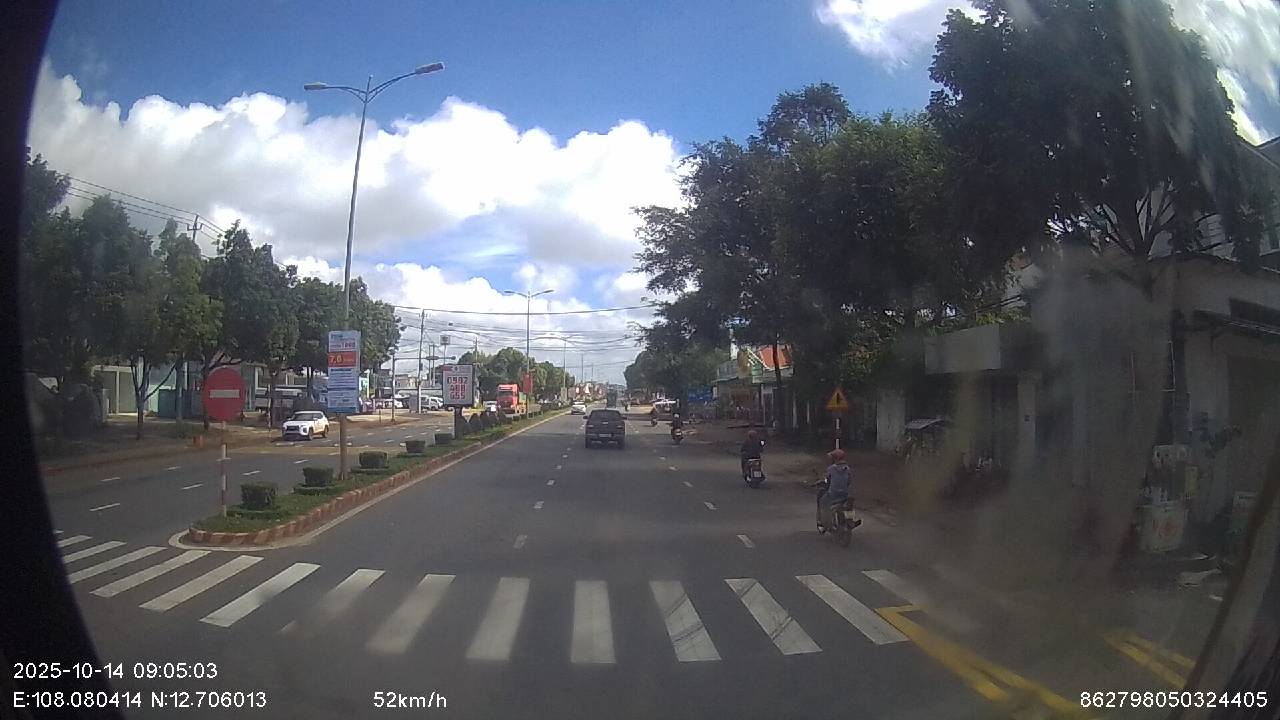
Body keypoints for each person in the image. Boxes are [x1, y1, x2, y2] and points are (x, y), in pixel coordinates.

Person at [815, 449, 855, 531]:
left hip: (833, 494)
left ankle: (823, 523)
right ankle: (850, 519)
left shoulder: (831, 469)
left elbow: (826, 479)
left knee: (823, 502)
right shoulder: (848, 469)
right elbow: (849, 481)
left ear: (834, 459)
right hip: (845, 494)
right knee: (849, 505)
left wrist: (820, 482)